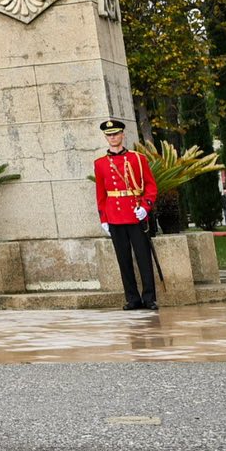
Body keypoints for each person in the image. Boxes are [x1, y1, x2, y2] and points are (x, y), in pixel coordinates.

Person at [95, 118, 159, 311]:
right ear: (106, 138)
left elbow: (150, 186)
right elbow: (101, 193)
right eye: (109, 135)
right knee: (123, 260)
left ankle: (149, 298)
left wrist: (145, 207)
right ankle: (132, 299)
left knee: (143, 258)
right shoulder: (100, 164)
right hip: (114, 216)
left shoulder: (138, 159)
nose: (113, 137)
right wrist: (104, 218)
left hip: (135, 213)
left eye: (116, 134)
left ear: (123, 135)